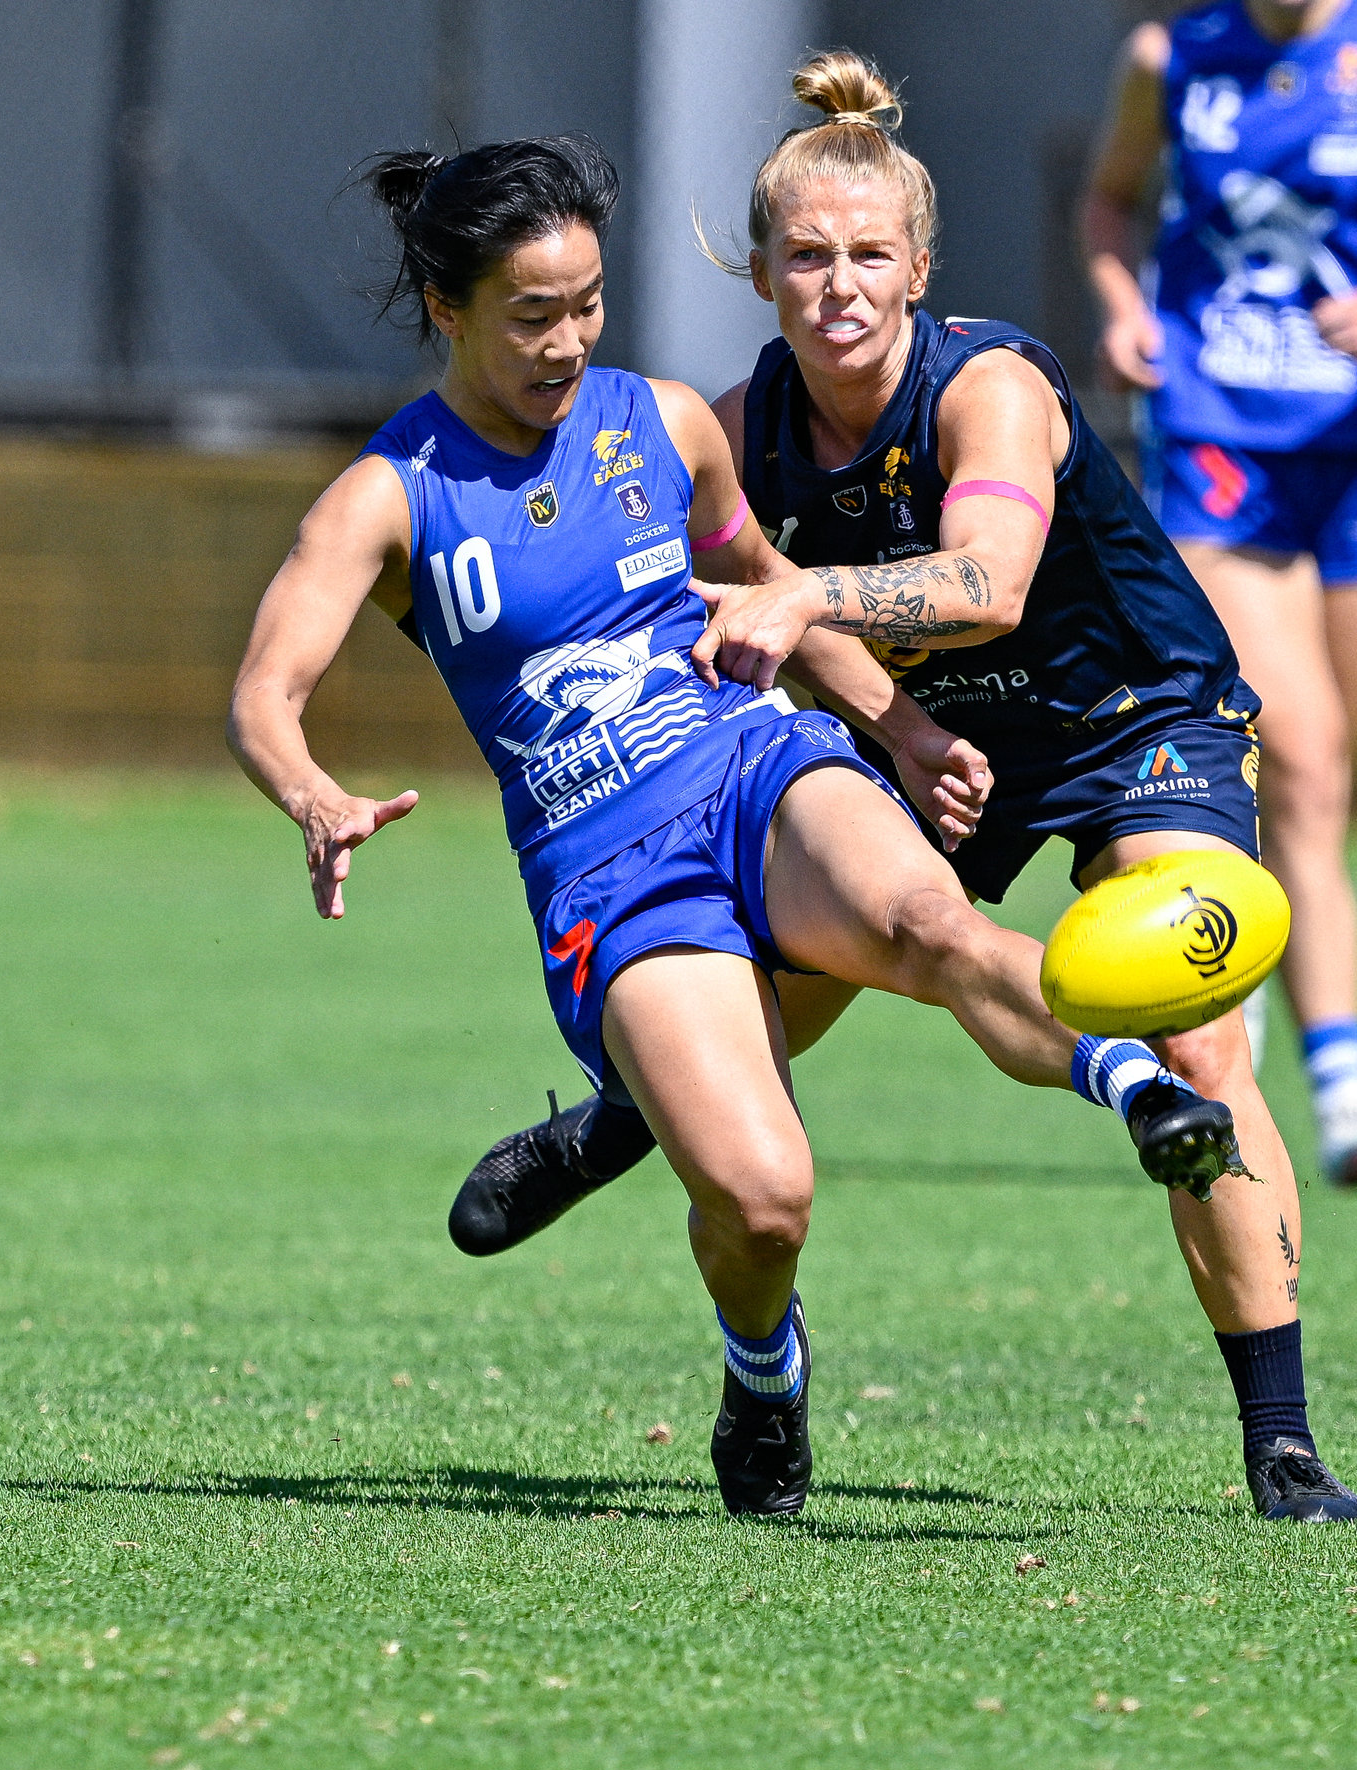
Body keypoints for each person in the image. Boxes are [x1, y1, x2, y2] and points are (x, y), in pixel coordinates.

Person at [227, 132, 1245, 1520]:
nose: (567, 342)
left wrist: (902, 730)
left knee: (929, 922)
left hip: (753, 766)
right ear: (448, 309)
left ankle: (1138, 1093)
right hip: (605, 868)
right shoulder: (384, 495)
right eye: (532, 316)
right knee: (763, 1201)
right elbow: (264, 695)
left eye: (588, 305)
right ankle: (762, 1369)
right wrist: (313, 793)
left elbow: (770, 583)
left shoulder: (662, 424)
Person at [451, 60, 1357, 1523]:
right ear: (758, 271)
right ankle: (619, 1123)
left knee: (1194, 1041)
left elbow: (987, 582)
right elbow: (669, 589)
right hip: (930, 737)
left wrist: (803, 596)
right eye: (806, 256)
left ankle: (1282, 1448)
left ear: (920, 271)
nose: (838, 287)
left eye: (869, 255)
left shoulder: (986, 386)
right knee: (755, 1020)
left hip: (1135, 719)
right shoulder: (735, 428)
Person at [1082, 0, 1357, 1181]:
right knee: (1297, 750)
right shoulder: (1167, 56)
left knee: (1339, 764)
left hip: (1345, 447)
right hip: (1217, 440)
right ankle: (1336, 1087)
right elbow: (1109, 202)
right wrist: (1122, 308)